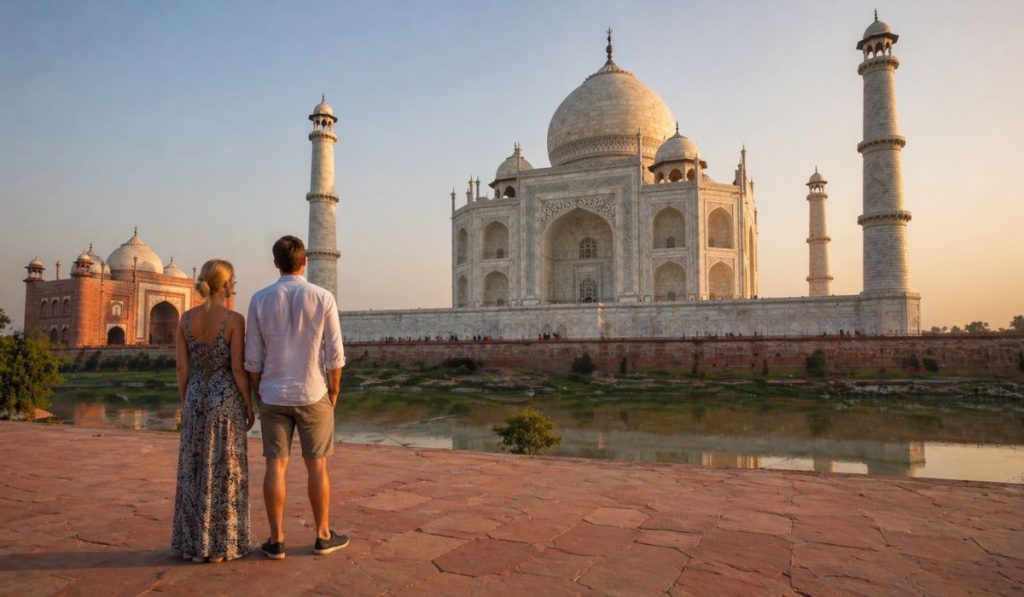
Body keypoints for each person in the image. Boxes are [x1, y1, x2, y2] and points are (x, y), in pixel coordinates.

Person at [244, 235, 348, 559]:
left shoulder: (259, 299)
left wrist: (258, 392)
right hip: (313, 392)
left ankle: (276, 541)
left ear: (276, 263)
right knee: (317, 467)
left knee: (276, 466)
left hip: (273, 395)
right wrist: (334, 390)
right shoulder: (323, 297)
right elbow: (335, 355)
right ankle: (322, 535)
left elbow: (252, 358)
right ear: (305, 262)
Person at [171, 259, 254, 563]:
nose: (235, 284)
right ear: (225, 284)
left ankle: (192, 545)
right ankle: (221, 546)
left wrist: (186, 400)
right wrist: (248, 403)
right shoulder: (233, 320)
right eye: (233, 279)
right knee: (223, 470)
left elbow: (182, 367)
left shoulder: (185, 318)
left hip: (195, 396)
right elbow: (237, 367)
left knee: (194, 470)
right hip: (224, 401)